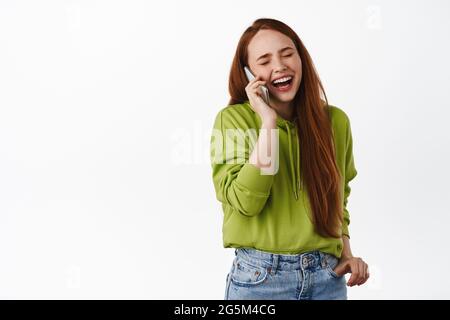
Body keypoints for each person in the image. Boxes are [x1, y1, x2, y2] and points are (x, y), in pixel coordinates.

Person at [209, 18, 369, 300]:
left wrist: (347, 254)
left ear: (301, 59)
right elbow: (247, 201)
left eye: (287, 54)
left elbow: (338, 198)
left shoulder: (335, 122)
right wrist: (267, 122)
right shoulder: (233, 121)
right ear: (248, 74)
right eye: (265, 60)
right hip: (260, 281)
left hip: (326, 277)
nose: (279, 66)